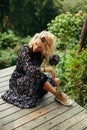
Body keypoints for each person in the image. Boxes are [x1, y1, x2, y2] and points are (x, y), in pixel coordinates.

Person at [1, 31, 73, 108]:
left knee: (55, 80)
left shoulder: (42, 51)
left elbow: (54, 62)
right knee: (39, 76)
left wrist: (49, 52)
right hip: (18, 81)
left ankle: (53, 91)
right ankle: (57, 95)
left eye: (40, 47)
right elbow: (29, 70)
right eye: (36, 44)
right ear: (34, 40)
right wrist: (46, 69)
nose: (36, 48)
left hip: (32, 79)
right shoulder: (25, 49)